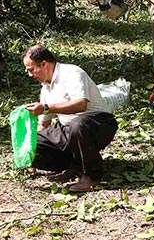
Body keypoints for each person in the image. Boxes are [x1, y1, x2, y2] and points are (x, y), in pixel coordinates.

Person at [22, 44, 118, 193]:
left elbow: (81, 104)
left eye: (31, 69)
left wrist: (46, 108)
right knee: (32, 142)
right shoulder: (46, 88)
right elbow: (44, 124)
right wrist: (30, 153)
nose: (30, 74)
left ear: (44, 64)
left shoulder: (72, 73)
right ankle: (74, 165)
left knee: (78, 125)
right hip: (67, 129)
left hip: (97, 124)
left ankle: (92, 175)